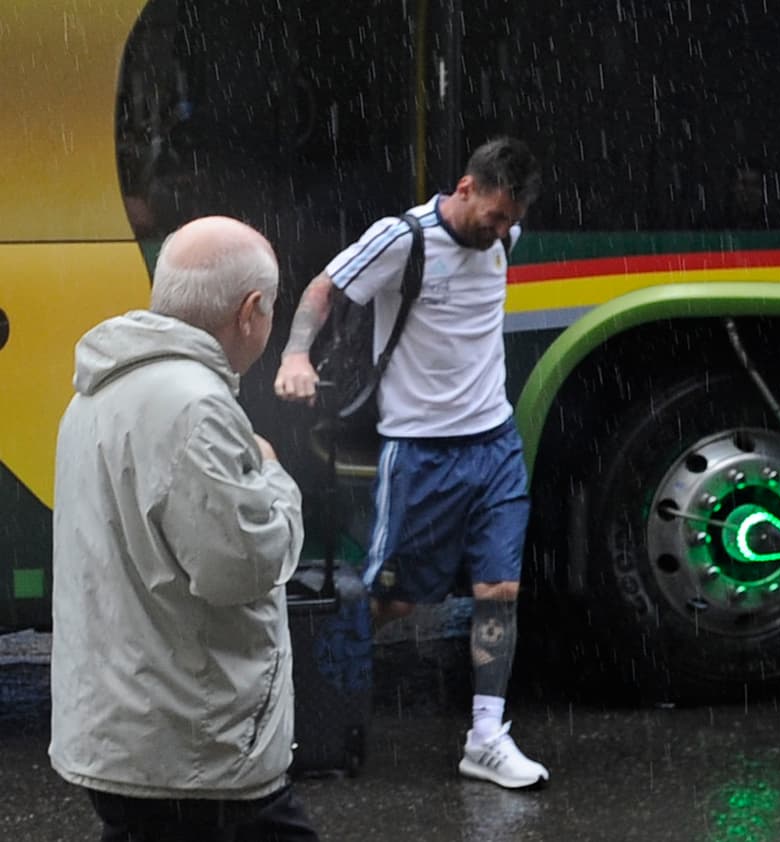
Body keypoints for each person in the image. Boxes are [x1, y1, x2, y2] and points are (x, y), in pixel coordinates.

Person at [273, 136, 548, 790]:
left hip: (495, 443)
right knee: (391, 603)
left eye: (512, 221)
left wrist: (503, 229)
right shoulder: (404, 239)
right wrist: (294, 355)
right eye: (495, 216)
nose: (503, 230)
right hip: (422, 450)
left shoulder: (501, 238)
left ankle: (486, 736)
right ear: (465, 188)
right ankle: (298, 703)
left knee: (498, 591)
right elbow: (325, 288)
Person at [49, 217, 318, 840]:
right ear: (250, 311)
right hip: (197, 751)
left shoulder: (96, 389)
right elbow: (240, 568)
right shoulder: (195, 404)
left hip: (125, 735)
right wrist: (275, 478)